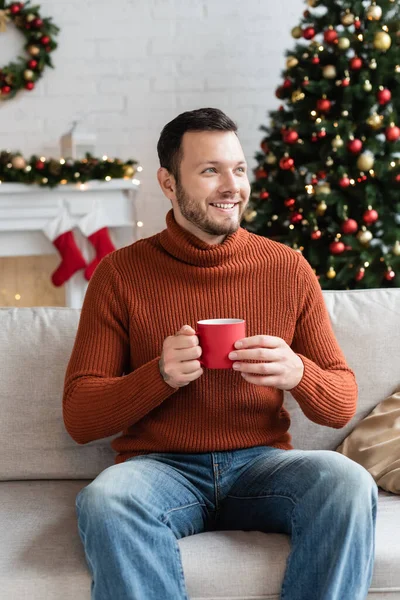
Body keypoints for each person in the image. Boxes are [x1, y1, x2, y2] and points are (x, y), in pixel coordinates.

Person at [63, 107, 377, 600]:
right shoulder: (119, 274)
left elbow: (340, 403)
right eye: (210, 171)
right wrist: (159, 375)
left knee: (347, 483)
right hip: (159, 468)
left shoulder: (288, 268)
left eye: (238, 168)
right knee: (107, 499)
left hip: (262, 466)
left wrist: (298, 373)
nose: (232, 186)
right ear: (169, 183)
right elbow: (80, 417)